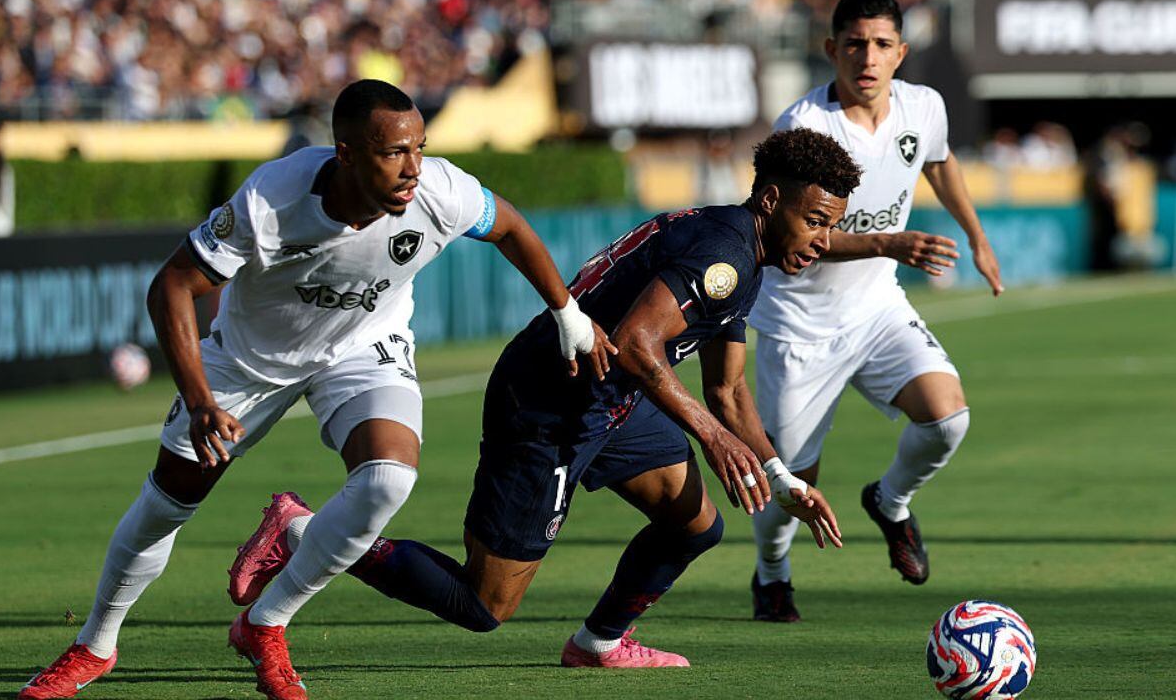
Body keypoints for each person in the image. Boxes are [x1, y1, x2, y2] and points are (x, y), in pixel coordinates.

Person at [16, 79, 609, 700]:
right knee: (166, 506)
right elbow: (172, 285)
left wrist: (567, 314)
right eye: (393, 154)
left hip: (362, 348)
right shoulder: (271, 200)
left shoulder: (439, 190)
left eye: (420, 148)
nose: (414, 168)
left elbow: (510, 226)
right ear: (345, 154)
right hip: (249, 362)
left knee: (388, 479)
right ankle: (95, 645)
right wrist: (199, 400)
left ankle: (265, 622)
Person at [227, 128, 856, 669]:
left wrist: (781, 477)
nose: (825, 239)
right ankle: (302, 529)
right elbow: (637, 342)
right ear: (772, 200)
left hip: (611, 401)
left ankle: (599, 643)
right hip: (548, 404)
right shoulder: (725, 255)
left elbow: (728, 388)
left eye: (834, 225)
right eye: (817, 220)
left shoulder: (740, 248)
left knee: (693, 524)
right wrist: (712, 437)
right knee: (484, 605)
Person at [746, 0, 1003, 623]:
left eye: (882, 45)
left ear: (901, 53)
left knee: (947, 418)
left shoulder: (924, 106)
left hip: (877, 308)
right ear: (831, 48)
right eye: (855, 44)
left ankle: (890, 503)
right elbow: (789, 235)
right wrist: (887, 240)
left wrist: (975, 235)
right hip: (799, 325)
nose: (868, 57)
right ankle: (772, 573)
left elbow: (939, 164)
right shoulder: (804, 127)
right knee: (793, 485)